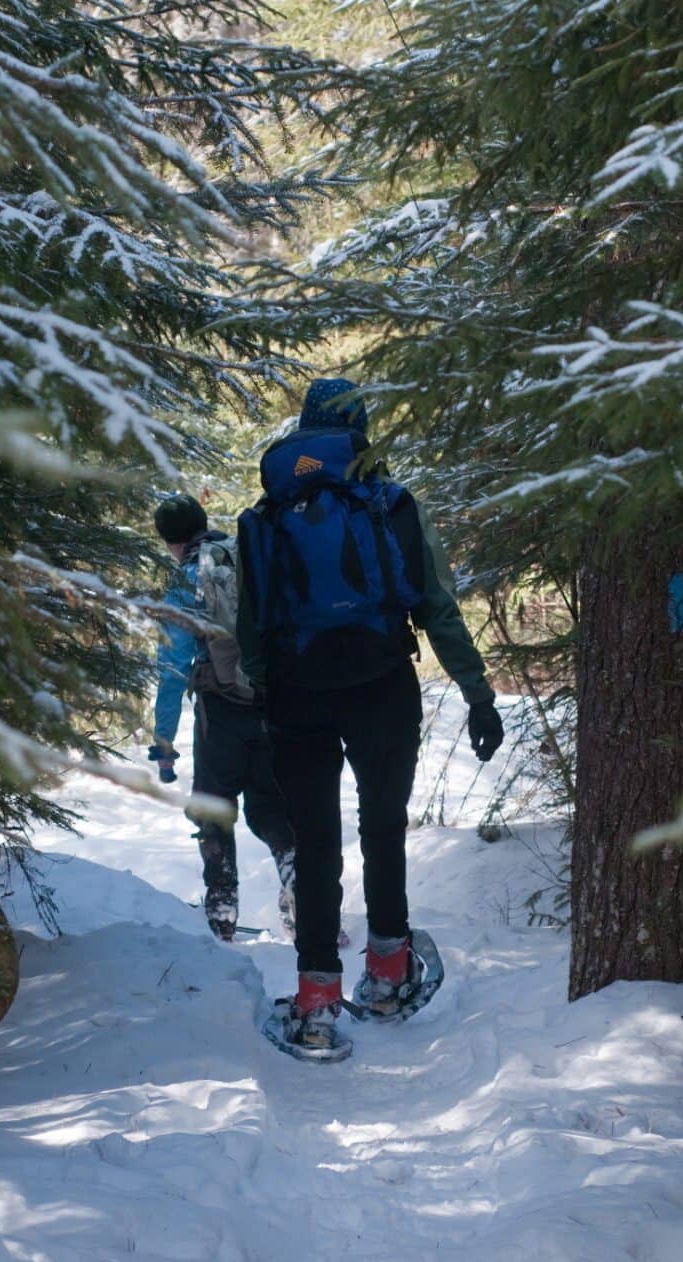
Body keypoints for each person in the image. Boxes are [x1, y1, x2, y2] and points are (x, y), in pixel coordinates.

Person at [238, 378, 504, 1060]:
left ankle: (317, 1001)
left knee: (318, 844)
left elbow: (250, 626)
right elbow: (436, 606)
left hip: (298, 695)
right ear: (361, 432)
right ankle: (387, 975)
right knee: (383, 828)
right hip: (383, 685)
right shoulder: (390, 503)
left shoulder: (268, 515)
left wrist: (265, 700)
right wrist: (477, 695)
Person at [150, 493, 300, 941]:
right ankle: (300, 893)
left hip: (220, 712)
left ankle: (221, 911)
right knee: (274, 808)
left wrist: (164, 743)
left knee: (214, 809)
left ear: (171, 543)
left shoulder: (184, 582)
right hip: (272, 704)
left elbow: (173, 667)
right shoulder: (246, 557)